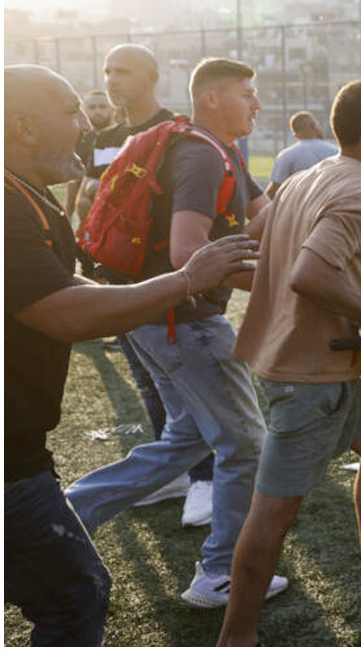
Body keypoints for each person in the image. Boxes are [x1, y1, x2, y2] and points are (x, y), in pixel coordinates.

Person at [4, 64, 257, 646]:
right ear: (23, 126)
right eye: (70, 114)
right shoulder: (8, 206)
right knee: (76, 594)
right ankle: (220, 569)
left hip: (21, 449)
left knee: (189, 438)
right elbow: (63, 314)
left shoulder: (30, 197)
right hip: (10, 460)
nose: (86, 128)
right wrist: (185, 281)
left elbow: (71, 292)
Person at [218, 80, 361, 645]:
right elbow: (309, 274)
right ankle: (234, 640)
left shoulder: (303, 178)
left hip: (310, 362)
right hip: (307, 375)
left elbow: (248, 247)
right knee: (273, 514)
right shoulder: (360, 192)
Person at [64, 57, 288, 607]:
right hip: (184, 323)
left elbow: (269, 213)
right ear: (211, 99)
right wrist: (282, 289)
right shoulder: (201, 157)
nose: (257, 103)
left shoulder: (222, 151)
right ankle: (219, 573)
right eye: (246, 93)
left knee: (185, 438)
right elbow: (190, 257)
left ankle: (64, 513)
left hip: (155, 322)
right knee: (245, 445)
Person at [77, 45, 219, 524]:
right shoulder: (105, 136)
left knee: (184, 387)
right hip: (118, 280)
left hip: (162, 282)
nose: (113, 80)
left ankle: (205, 478)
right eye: (108, 71)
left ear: (154, 77)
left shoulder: (174, 133)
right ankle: (176, 474)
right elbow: (91, 197)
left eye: (124, 71)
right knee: (148, 380)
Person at [264, 110, 338, 199]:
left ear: (294, 133)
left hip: (297, 210)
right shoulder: (336, 152)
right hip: (330, 207)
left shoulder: (287, 155)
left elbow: (273, 190)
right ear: (313, 126)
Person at [66, 89, 114, 215]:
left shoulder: (124, 137)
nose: (97, 111)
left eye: (103, 107)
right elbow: (74, 181)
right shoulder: (79, 139)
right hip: (87, 205)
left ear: (112, 109)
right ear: (84, 111)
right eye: (92, 107)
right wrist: (68, 214)